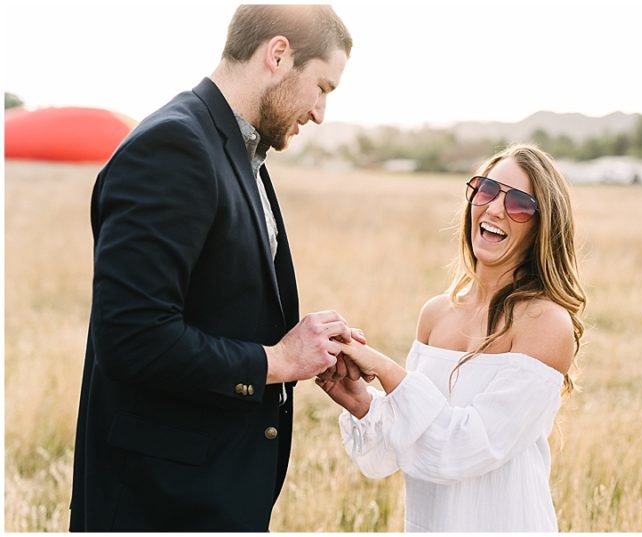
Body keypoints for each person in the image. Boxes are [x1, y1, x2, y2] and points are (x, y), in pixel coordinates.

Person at [70, 5, 354, 531]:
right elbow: (132, 337)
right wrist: (274, 361)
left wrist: (306, 344)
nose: (319, 113)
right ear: (278, 54)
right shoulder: (174, 146)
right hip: (158, 505)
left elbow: (219, 304)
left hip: (209, 494)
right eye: (323, 87)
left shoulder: (239, 150)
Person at [317, 143, 586, 532]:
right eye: (487, 190)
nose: (494, 208)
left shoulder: (545, 323)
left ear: (542, 227)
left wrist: (387, 371)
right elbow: (396, 452)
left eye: (519, 204)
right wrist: (362, 403)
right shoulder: (436, 313)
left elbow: (461, 449)